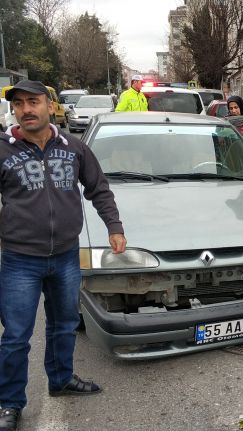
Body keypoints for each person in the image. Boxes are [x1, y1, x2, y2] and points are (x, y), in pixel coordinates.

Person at [0, 80, 127, 431]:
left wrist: (114, 227)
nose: (26, 109)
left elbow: (99, 189)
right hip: (19, 260)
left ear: (49, 106)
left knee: (64, 325)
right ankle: (9, 403)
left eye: (33, 102)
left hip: (66, 256)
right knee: (15, 336)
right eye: (19, 104)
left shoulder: (73, 147)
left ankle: (61, 380)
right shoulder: (3, 150)